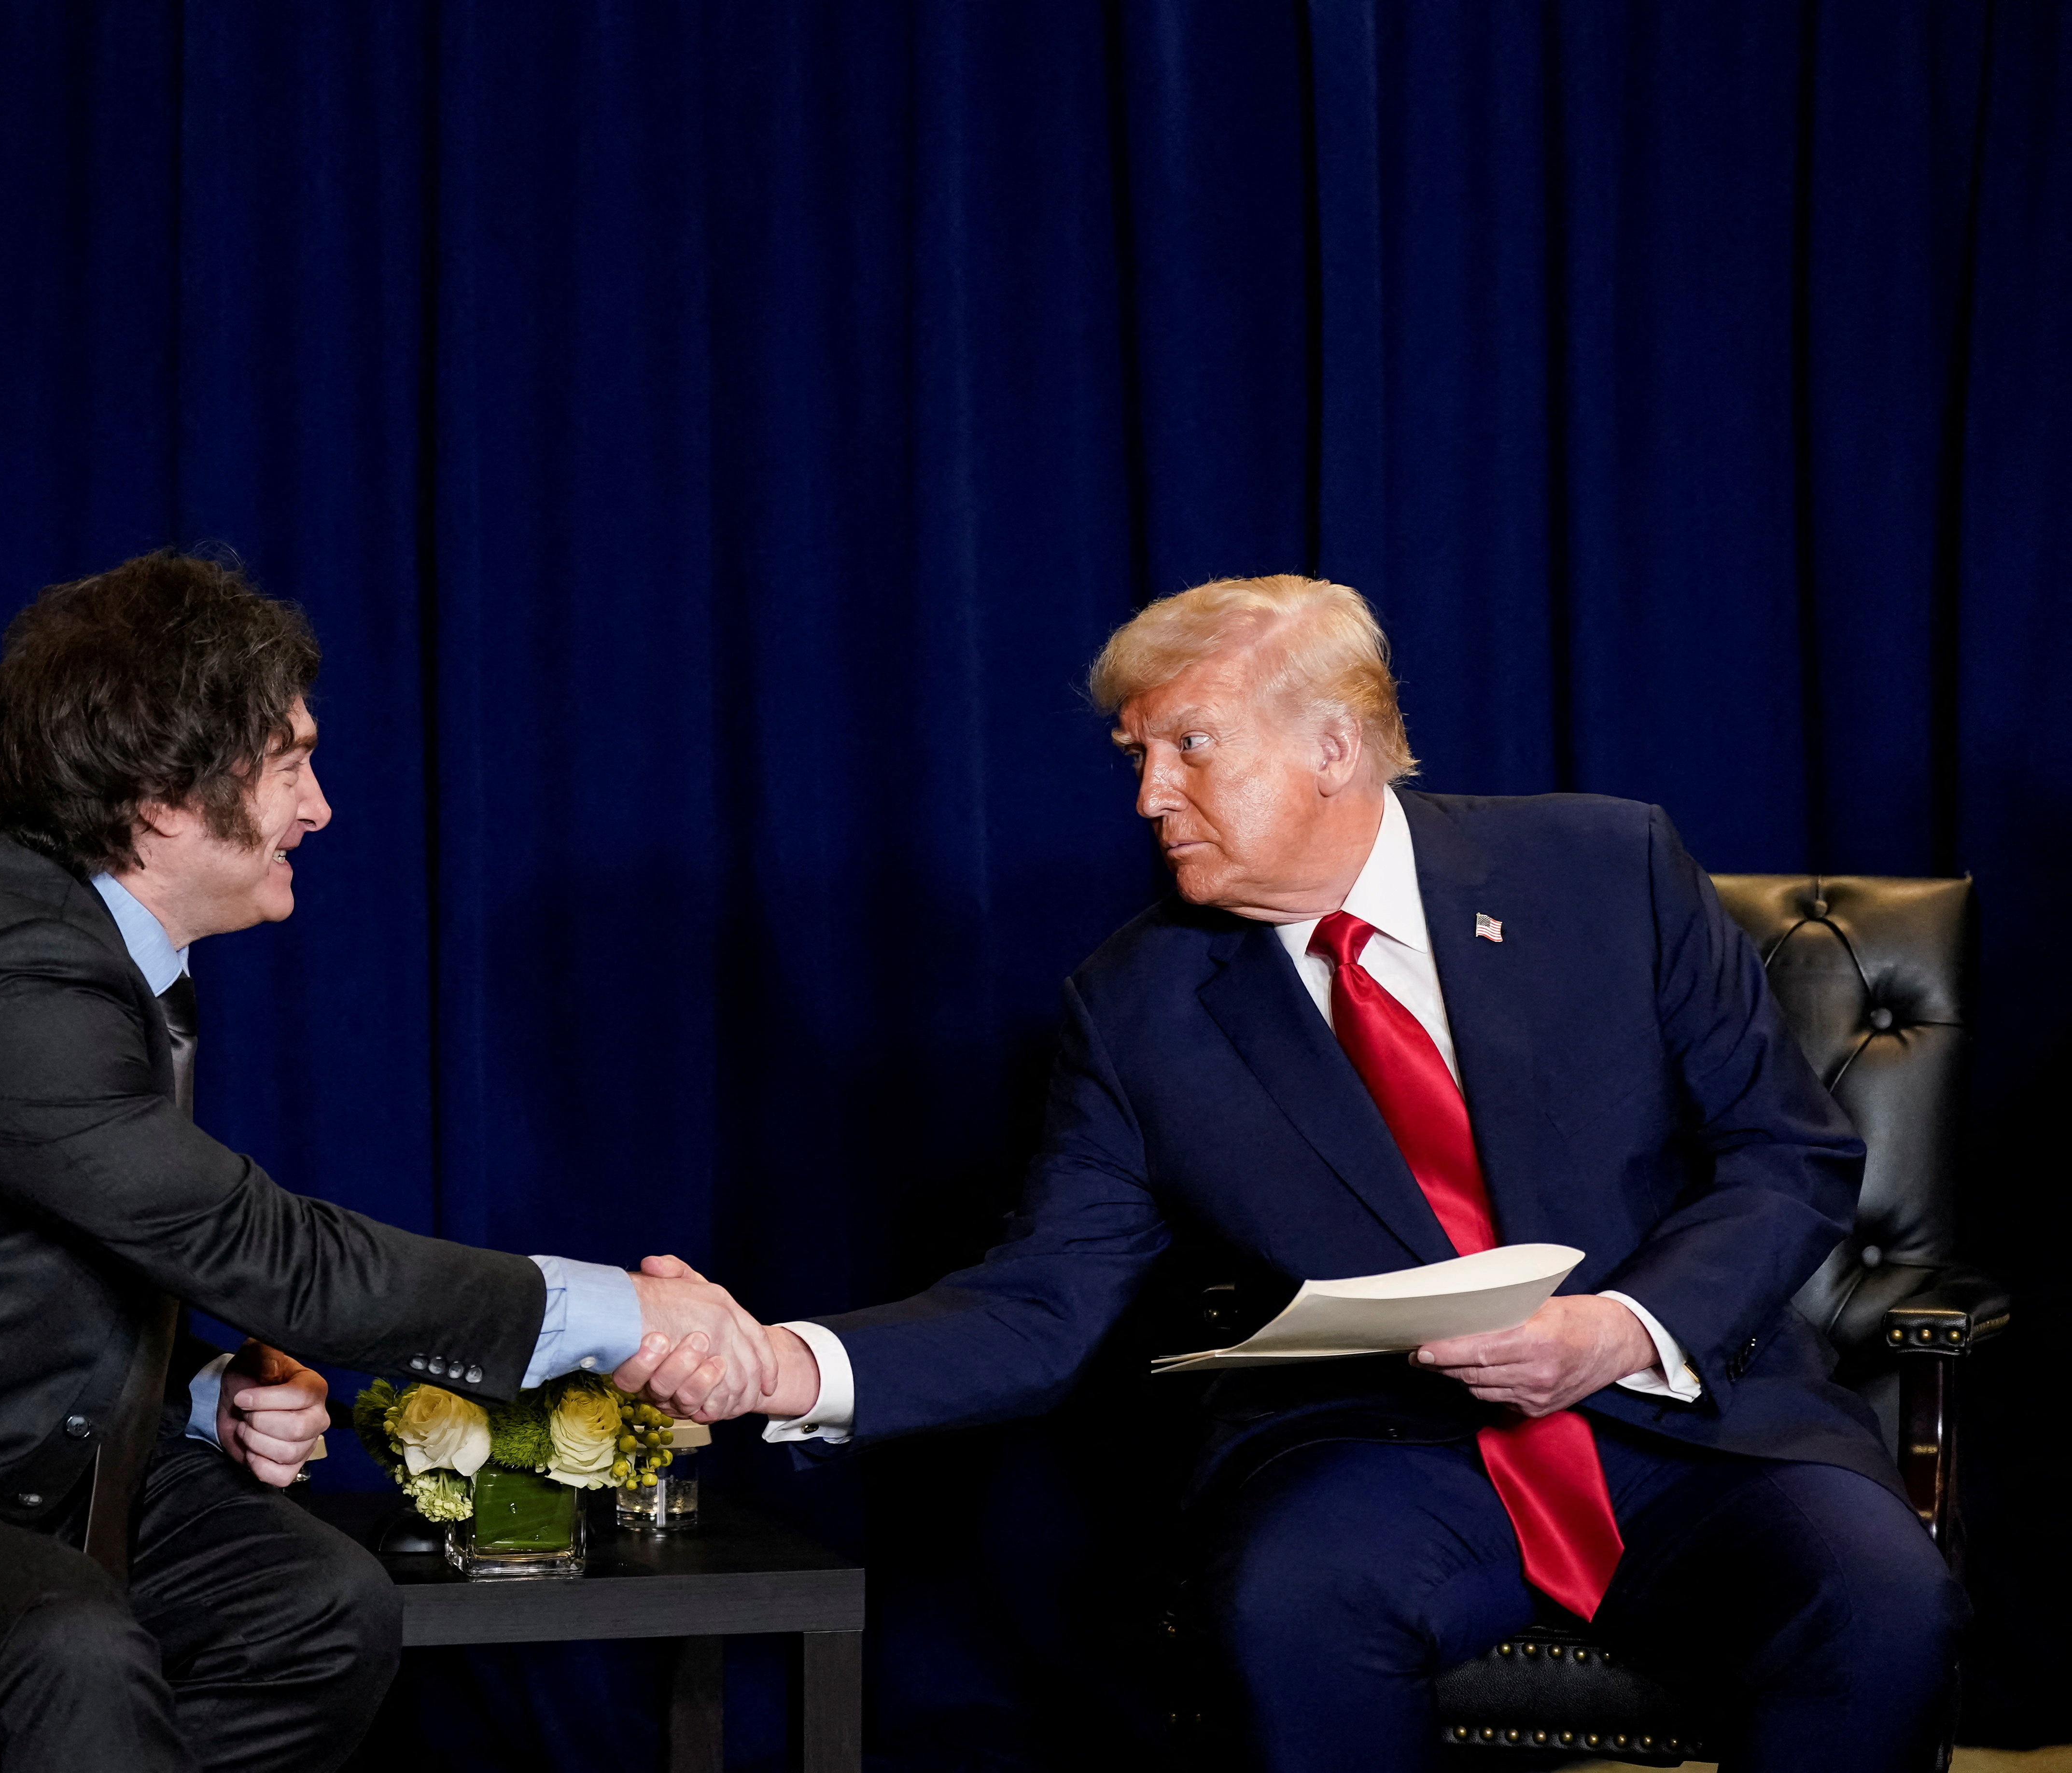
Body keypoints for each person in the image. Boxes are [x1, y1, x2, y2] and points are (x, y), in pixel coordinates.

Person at [620, 574, 1965, 1771]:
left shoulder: (1606, 869)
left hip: (1692, 1420)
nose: (1150, 795)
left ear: (1332, 743)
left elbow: (1786, 1155)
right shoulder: (1136, 1005)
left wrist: (1620, 1326)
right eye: (1137, 757)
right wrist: (781, 1365)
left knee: (1880, 1599)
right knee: (1286, 1595)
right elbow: (1040, 1302)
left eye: (1189, 748)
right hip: (1388, 1451)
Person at [0, 552, 775, 1773]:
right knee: (63, 1647)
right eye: (291, 763)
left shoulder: (72, 938)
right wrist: (624, 1313)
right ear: (163, 796)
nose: (320, 807)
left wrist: (191, 1393)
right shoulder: (8, 973)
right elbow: (258, 1247)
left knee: (315, 1608)